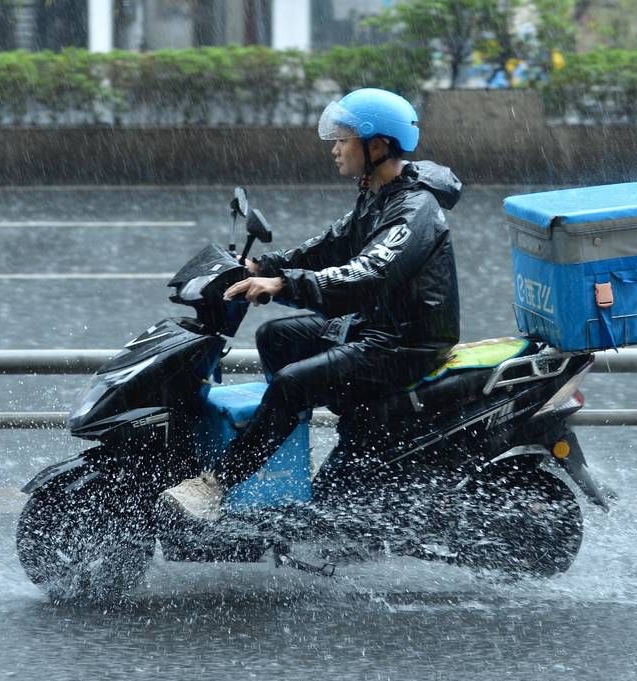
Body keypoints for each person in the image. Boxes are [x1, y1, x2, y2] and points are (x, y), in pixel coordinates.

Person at [158, 88, 462, 525]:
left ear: (376, 146)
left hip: (404, 344)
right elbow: (330, 246)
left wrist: (280, 285)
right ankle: (296, 452)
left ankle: (215, 486)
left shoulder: (413, 208)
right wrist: (260, 265)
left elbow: (366, 275)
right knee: (275, 336)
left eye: (343, 140)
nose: (335, 149)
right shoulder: (379, 193)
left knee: (291, 385)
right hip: (373, 328)